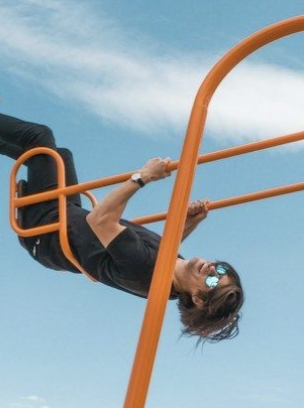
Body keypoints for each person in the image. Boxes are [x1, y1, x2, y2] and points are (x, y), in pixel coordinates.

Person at [0, 112, 243, 343]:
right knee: (60, 156)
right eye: (220, 269)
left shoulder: (145, 270)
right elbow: (158, 247)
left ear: (198, 299)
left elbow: (100, 221)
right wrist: (186, 225)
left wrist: (142, 177)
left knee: (39, 138)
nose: (213, 269)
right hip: (65, 219)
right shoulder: (169, 274)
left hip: (48, 229)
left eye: (213, 280)